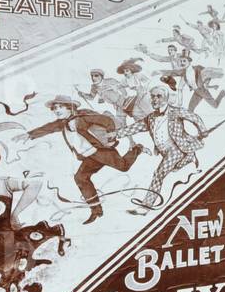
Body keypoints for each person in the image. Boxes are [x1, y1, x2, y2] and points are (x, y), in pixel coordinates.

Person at [22, 94, 143, 224]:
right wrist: (30, 135)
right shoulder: (62, 123)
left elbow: (106, 120)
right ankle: (96, 211)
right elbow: (49, 128)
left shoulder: (82, 118)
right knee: (80, 178)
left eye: (60, 107)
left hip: (102, 151)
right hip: (90, 155)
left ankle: (136, 149)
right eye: (55, 108)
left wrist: (110, 137)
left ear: (70, 108)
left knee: (123, 167)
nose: (57, 110)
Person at [114, 82, 209, 210]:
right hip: (165, 152)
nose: (155, 99)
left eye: (158, 96)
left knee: (159, 173)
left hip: (177, 148)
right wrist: (116, 134)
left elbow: (194, 117)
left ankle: (146, 206)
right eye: (153, 96)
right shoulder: (151, 118)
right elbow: (135, 127)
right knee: (175, 168)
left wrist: (203, 130)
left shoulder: (175, 111)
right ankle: (189, 158)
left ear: (166, 98)